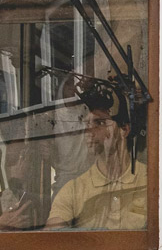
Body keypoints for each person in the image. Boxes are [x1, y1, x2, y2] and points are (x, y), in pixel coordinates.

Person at [44, 88, 148, 231]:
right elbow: (52, 235)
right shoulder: (73, 190)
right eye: (87, 124)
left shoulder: (150, 181)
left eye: (100, 123)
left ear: (124, 129)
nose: (89, 132)